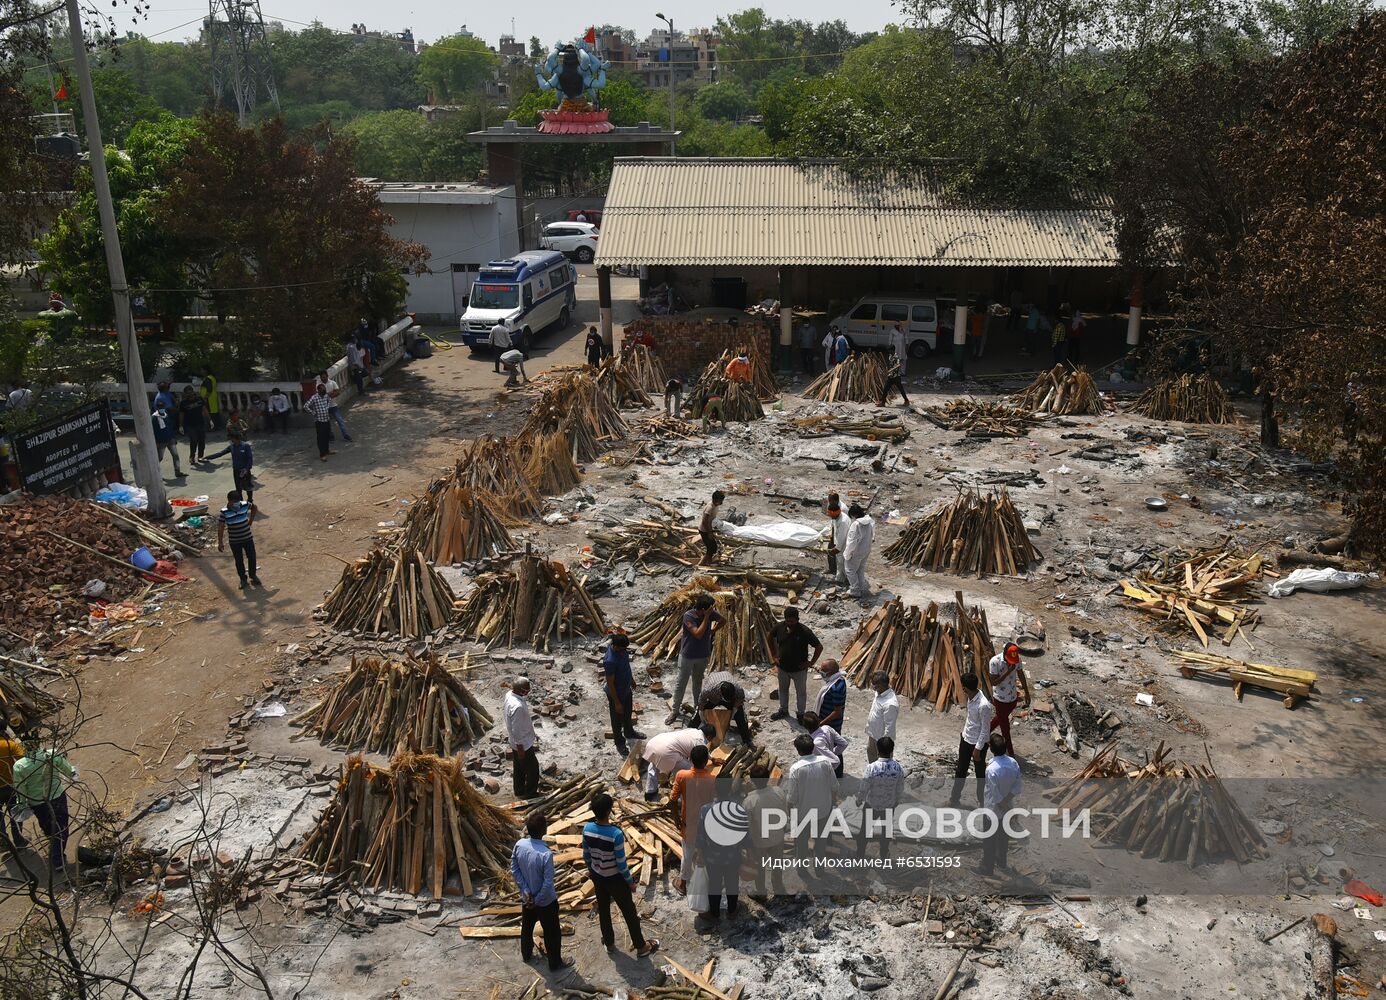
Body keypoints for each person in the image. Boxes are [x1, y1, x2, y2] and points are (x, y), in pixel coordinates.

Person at [583, 792, 659, 956]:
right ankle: (641, 946)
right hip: (615, 879)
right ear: (609, 810)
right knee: (629, 911)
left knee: (603, 909)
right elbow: (621, 863)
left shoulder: (587, 829)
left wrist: (591, 869)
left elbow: (586, 855)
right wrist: (630, 881)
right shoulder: (615, 834)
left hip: (598, 876)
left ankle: (609, 943)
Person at [512, 812, 574, 972]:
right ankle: (555, 963)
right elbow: (547, 883)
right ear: (544, 831)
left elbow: (515, 869)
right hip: (545, 901)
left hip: (527, 899)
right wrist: (538, 899)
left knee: (527, 927)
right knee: (552, 932)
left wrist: (526, 892)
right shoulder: (545, 854)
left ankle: (526, 954)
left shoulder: (519, 845)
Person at [12, 746, 76, 874]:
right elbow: (68, 769)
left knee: (47, 826)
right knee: (62, 826)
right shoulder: (51, 754)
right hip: (56, 796)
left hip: (37, 802)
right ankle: (58, 859)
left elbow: (20, 788)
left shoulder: (19, 766)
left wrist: (22, 804)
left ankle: (55, 849)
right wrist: (72, 774)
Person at [694, 783, 746, 928]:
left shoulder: (705, 809)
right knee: (732, 883)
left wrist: (700, 854)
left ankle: (715, 913)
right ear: (730, 790)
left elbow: (701, 835)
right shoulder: (737, 809)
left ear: (715, 790)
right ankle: (732, 910)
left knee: (714, 885)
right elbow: (743, 833)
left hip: (713, 857)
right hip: (733, 856)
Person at [670, 594, 722, 723]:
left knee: (697, 683)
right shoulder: (689, 616)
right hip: (688, 655)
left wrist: (712, 631)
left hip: (703, 655)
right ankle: (674, 711)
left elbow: (723, 620)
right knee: (681, 684)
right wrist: (707, 618)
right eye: (709, 609)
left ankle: (697, 708)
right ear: (703, 610)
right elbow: (698, 634)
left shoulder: (709, 614)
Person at [669, 743, 715, 890]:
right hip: (706, 825)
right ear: (705, 762)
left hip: (688, 823)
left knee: (687, 854)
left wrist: (676, 818)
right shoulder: (712, 779)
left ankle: (683, 883)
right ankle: (705, 882)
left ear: (690, 759)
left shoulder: (682, 775)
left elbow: (672, 799)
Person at [785, 733, 837, 860]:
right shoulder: (826, 763)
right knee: (821, 842)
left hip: (803, 814)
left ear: (798, 751)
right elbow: (834, 787)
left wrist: (790, 813)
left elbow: (792, 798)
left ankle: (802, 870)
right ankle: (820, 869)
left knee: (801, 844)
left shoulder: (795, 769)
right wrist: (832, 804)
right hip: (824, 811)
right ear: (812, 748)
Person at [979, 731, 1022, 877]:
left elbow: (996, 796)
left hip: (993, 810)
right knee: (1003, 837)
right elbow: (1017, 787)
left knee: (989, 840)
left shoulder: (991, 770)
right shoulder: (1013, 763)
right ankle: (1002, 862)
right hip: (1008, 805)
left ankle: (987, 868)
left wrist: (1005, 806)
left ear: (991, 749)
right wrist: (1009, 808)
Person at [768, 607, 822, 723]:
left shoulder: (805, 631)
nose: (790, 623)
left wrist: (811, 663)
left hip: (799, 670)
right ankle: (783, 710)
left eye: (792, 621)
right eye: (788, 621)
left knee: (801, 693)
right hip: (783, 668)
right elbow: (770, 637)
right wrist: (773, 655)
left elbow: (819, 647)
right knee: (783, 690)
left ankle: (801, 714)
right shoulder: (779, 627)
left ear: (797, 619)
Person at [949, 672, 993, 809]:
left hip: (977, 745)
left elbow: (986, 730)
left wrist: (978, 749)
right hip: (966, 739)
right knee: (960, 771)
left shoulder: (984, 705)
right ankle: (954, 799)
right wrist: (964, 734)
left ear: (965, 688)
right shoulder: (971, 697)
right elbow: (971, 720)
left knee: (980, 775)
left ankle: (982, 803)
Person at [856, 735, 904, 860]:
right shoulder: (898, 768)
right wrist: (897, 801)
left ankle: (860, 854)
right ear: (892, 751)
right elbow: (900, 788)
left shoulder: (871, 768)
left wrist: (859, 799)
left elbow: (864, 787)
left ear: (877, 750)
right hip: (888, 806)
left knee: (865, 831)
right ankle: (883, 853)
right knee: (886, 831)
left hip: (872, 805)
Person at [743, 763, 788, 897]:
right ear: (768, 777)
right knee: (777, 865)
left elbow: (747, 826)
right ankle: (778, 888)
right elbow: (785, 813)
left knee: (760, 867)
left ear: (752, 781)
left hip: (759, 841)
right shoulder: (778, 792)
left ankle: (761, 891)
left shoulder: (749, 801)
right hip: (777, 837)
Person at [641, 723, 716, 801]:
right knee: (687, 770)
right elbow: (701, 752)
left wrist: (712, 758)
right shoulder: (700, 740)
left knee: (654, 765)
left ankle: (650, 792)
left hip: (654, 742)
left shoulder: (693, 730)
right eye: (711, 739)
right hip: (666, 751)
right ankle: (680, 798)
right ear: (709, 737)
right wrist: (711, 759)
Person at [988, 642, 1030, 757]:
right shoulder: (995, 662)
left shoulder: (1017, 658)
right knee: (1005, 728)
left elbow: (1021, 673)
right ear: (1004, 654)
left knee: (1000, 718)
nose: (1011, 663)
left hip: (1012, 698)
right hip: (1000, 699)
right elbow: (993, 682)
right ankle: (1010, 753)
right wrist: (1008, 671)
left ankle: (984, 733)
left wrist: (1026, 692)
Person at [603, 634, 642, 757]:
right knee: (616, 720)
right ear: (616, 646)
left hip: (626, 689)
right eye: (622, 648)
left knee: (627, 713)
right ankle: (619, 743)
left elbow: (626, 667)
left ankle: (629, 732)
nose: (624, 650)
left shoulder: (622, 651)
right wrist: (617, 702)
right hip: (616, 693)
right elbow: (610, 683)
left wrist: (631, 680)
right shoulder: (610, 661)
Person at [217, 489, 261, 590]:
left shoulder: (245, 504)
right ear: (229, 501)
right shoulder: (224, 512)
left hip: (247, 537)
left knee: (252, 557)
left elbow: (254, 508)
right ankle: (243, 579)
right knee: (239, 560)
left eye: (237, 502)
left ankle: (253, 575)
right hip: (235, 540)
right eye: (234, 502)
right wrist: (220, 542)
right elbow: (221, 527)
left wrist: (250, 521)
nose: (236, 505)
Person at [506, 678, 540, 797]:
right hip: (523, 744)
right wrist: (520, 749)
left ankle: (519, 790)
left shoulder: (509, 694)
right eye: (527, 690)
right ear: (521, 691)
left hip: (515, 742)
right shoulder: (518, 707)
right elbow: (517, 730)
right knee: (533, 770)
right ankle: (530, 795)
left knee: (519, 768)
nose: (528, 692)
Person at [699, 672, 751, 745]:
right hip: (714, 698)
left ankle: (747, 740)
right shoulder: (709, 689)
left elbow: (740, 699)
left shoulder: (738, 689)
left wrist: (734, 710)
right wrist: (701, 712)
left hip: (728, 697)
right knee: (698, 714)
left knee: (741, 717)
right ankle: (690, 730)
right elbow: (702, 699)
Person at [0, 731, 28, 849]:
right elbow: (23, 759)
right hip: (10, 784)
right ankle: (19, 840)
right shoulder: (8, 744)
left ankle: (4, 842)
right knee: (16, 812)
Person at [843, 504, 876, 600]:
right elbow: (872, 535)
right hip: (866, 549)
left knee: (850, 570)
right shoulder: (870, 521)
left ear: (854, 515)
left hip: (856, 551)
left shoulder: (856, 525)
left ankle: (855, 590)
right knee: (860, 569)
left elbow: (851, 541)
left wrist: (847, 553)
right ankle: (861, 587)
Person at [864, 671, 899, 763]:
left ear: (881, 685)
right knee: (871, 754)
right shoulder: (879, 693)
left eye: (874, 685)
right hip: (873, 733)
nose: (873, 687)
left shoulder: (890, 704)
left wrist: (885, 746)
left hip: (882, 739)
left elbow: (890, 727)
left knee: (884, 764)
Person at [802, 710, 848, 778]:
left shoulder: (816, 742)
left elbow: (836, 761)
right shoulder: (827, 728)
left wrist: (825, 772)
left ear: (805, 726)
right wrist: (833, 752)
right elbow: (844, 744)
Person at [812, 658, 848, 734]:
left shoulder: (836, 688)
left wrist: (820, 724)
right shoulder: (836, 678)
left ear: (830, 672)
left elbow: (837, 712)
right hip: (824, 720)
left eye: (823, 671)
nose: (821, 672)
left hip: (831, 725)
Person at [822, 493, 850, 587]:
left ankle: (845, 581)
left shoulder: (842, 521)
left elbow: (841, 538)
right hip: (839, 541)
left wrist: (837, 548)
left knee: (841, 562)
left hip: (844, 544)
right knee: (839, 562)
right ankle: (839, 579)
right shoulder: (837, 516)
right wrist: (831, 535)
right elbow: (833, 525)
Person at [151, 400, 185, 478]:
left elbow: (170, 427)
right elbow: (153, 431)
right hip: (161, 441)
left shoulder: (166, 415)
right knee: (159, 457)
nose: (162, 408)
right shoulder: (154, 418)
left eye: (162, 407)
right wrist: (156, 442)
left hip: (170, 439)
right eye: (160, 407)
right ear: (157, 408)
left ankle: (178, 471)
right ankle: (155, 472)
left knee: (175, 455)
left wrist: (173, 437)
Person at [315, 371, 351, 442]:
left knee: (340, 420)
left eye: (324, 377)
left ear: (327, 376)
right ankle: (331, 436)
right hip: (324, 407)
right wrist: (330, 394)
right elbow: (319, 395)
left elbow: (337, 392)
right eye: (322, 377)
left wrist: (327, 395)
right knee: (327, 423)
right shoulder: (318, 385)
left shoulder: (332, 383)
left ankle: (345, 435)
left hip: (333, 405)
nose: (323, 378)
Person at [303, 383, 335, 461]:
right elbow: (305, 406)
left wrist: (326, 408)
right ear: (318, 390)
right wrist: (313, 412)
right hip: (319, 421)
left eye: (324, 390)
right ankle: (322, 454)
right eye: (322, 390)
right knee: (321, 438)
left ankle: (327, 450)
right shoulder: (314, 397)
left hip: (326, 419)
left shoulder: (326, 396)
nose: (324, 391)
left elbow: (329, 400)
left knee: (327, 436)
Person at [178, 386, 209, 464]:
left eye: (190, 392)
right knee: (194, 441)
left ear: (193, 391)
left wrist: (210, 420)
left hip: (200, 423)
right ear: (185, 394)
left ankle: (200, 456)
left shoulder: (199, 399)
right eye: (187, 393)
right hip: (190, 425)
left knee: (202, 440)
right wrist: (180, 425)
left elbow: (204, 409)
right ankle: (192, 457)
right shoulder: (183, 403)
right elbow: (181, 414)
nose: (189, 394)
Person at [699, 490, 724, 567]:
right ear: (715, 500)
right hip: (704, 530)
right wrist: (709, 532)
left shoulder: (715, 506)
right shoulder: (710, 507)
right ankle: (707, 563)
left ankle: (704, 562)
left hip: (708, 529)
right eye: (720, 501)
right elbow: (704, 521)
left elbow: (711, 519)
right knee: (711, 547)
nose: (721, 503)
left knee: (712, 547)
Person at [230, 433, 254, 503]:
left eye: (233, 439)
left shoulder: (245, 446)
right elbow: (220, 453)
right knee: (238, 488)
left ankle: (250, 501)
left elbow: (250, 458)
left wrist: (246, 469)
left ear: (237, 439)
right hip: (236, 470)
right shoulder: (232, 447)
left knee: (248, 487)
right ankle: (240, 502)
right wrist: (208, 457)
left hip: (244, 470)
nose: (231, 440)